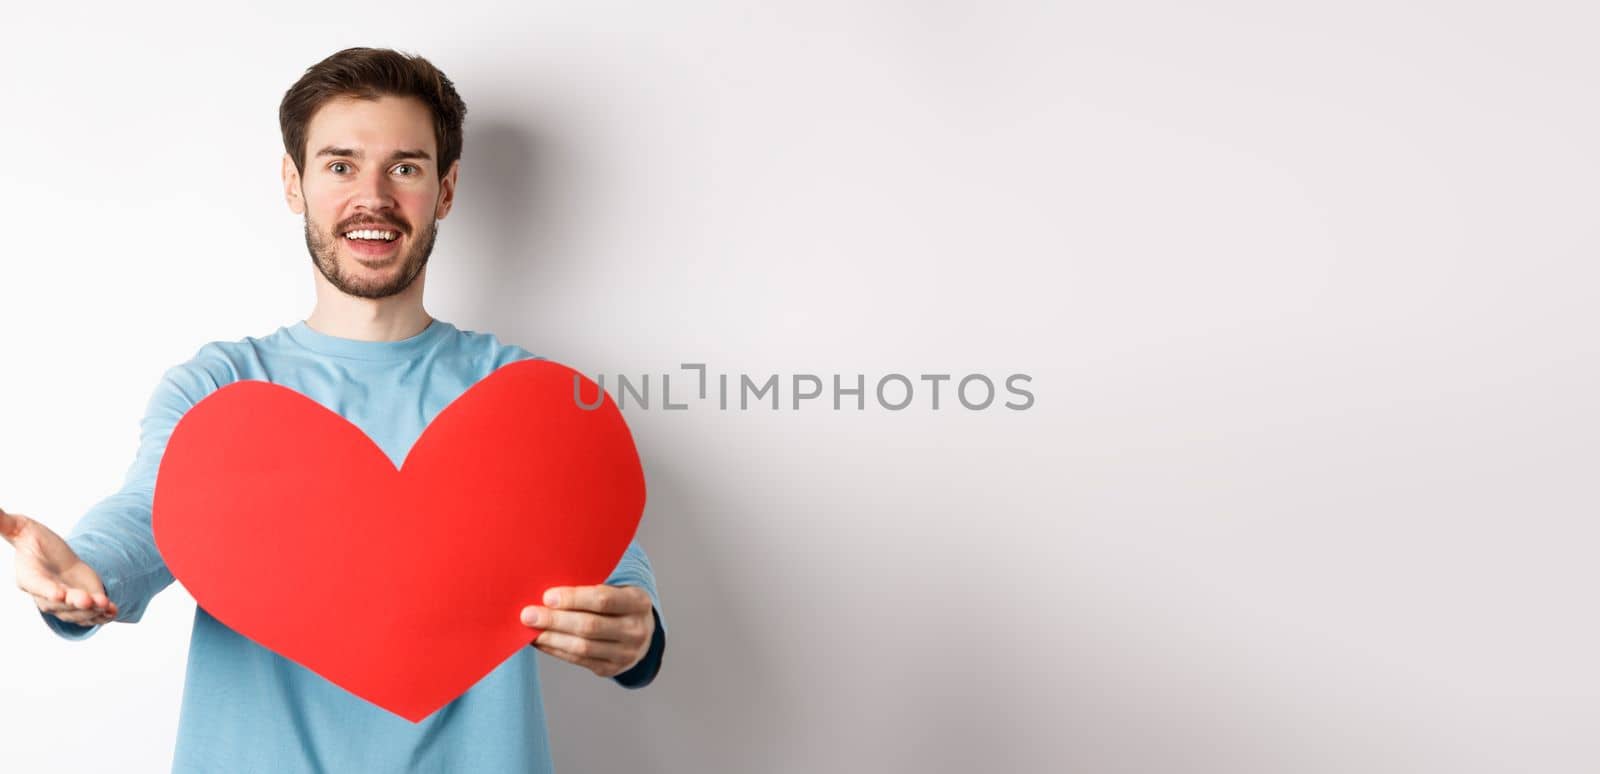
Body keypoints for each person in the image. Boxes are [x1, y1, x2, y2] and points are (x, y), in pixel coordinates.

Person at [0, 47, 666, 773]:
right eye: (341, 165)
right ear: (295, 182)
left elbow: (610, 570)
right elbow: (147, 514)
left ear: (445, 191)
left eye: (405, 168)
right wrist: (80, 574)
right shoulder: (222, 389)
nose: (372, 197)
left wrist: (636, 632)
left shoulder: (528, 397)